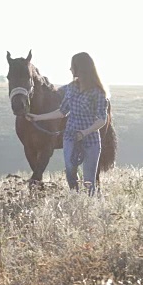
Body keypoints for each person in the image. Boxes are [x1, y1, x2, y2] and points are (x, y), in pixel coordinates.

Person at [25, 52, 108, 196]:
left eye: (72, 66)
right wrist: (37, 118)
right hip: (70, 137)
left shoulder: (98, 92)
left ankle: (91, 204)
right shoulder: (71, 88)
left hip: (91, 139)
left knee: (89, 179)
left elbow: (102, 119)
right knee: (70, 172)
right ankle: (76, 199)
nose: (70, 69)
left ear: (80, 68)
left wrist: (84, 133)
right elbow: (62, 112)